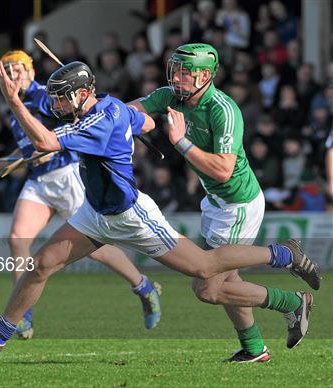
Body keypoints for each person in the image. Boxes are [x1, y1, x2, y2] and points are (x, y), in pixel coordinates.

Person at [0, 60, 319, 358]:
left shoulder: (99, 119)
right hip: (95, 214)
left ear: (83, 94)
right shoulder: (110, 108)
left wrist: (14, 101)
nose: (56, 107)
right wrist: (125, 127)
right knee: (41, 265)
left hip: (132, 217)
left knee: (205, 270)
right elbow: (144, 120)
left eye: (62, 99)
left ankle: (282, 255)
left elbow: (47, 141)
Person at [128, 43, 307, 362]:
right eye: (176, 70)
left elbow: (224, 171)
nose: (177, 77)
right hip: (215, 202)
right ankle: (254, 349)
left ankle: (293, 302)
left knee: (207, 288)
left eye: (185, 72)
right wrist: (94, 111)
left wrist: (180, 143)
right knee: (229, 281)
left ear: (206, 76)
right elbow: (131, 109)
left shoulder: (222, 110)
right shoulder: (172, 95)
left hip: (238, 203)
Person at [0, 50, 163, 339]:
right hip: (39, 181)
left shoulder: (43, 96)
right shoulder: (18, 103)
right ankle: (21, 313)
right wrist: (6, 160)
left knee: (97, 245)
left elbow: (68, 131)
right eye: (7, 71)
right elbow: (31, 143)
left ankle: (142, 284)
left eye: (17, 70)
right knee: (17, 239)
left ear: (30, 70)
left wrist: (46, 148)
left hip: (67, 175)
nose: (13, 76)